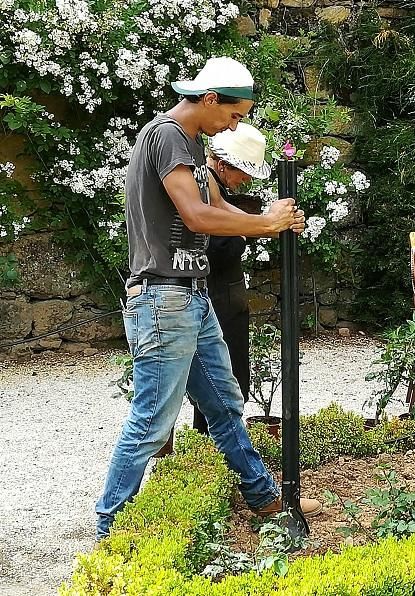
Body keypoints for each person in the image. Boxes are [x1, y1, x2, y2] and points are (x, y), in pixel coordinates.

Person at [96, 57, 320, 541]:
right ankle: (108, 530)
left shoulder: (193, 146)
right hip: (162, 298)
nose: (234, 125)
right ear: (211, 98)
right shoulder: (165, 136)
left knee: (224, 404)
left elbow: (220, 209)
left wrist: (273, 215)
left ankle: (262, 496)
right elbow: (196, 217)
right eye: (235, 115)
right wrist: (266, 223)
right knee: (152, 423)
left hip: (190, 298)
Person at [191, 122, 272, 435]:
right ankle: (213, 450)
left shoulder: (215, 189)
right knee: (222, 381)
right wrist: (241, 234)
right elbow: (212, 248)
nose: (247, 180)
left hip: (227, 298)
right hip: (218, 299)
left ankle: (216, 450)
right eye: (244, 172)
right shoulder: (205, 192)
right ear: (223, 165)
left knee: (228, 380)